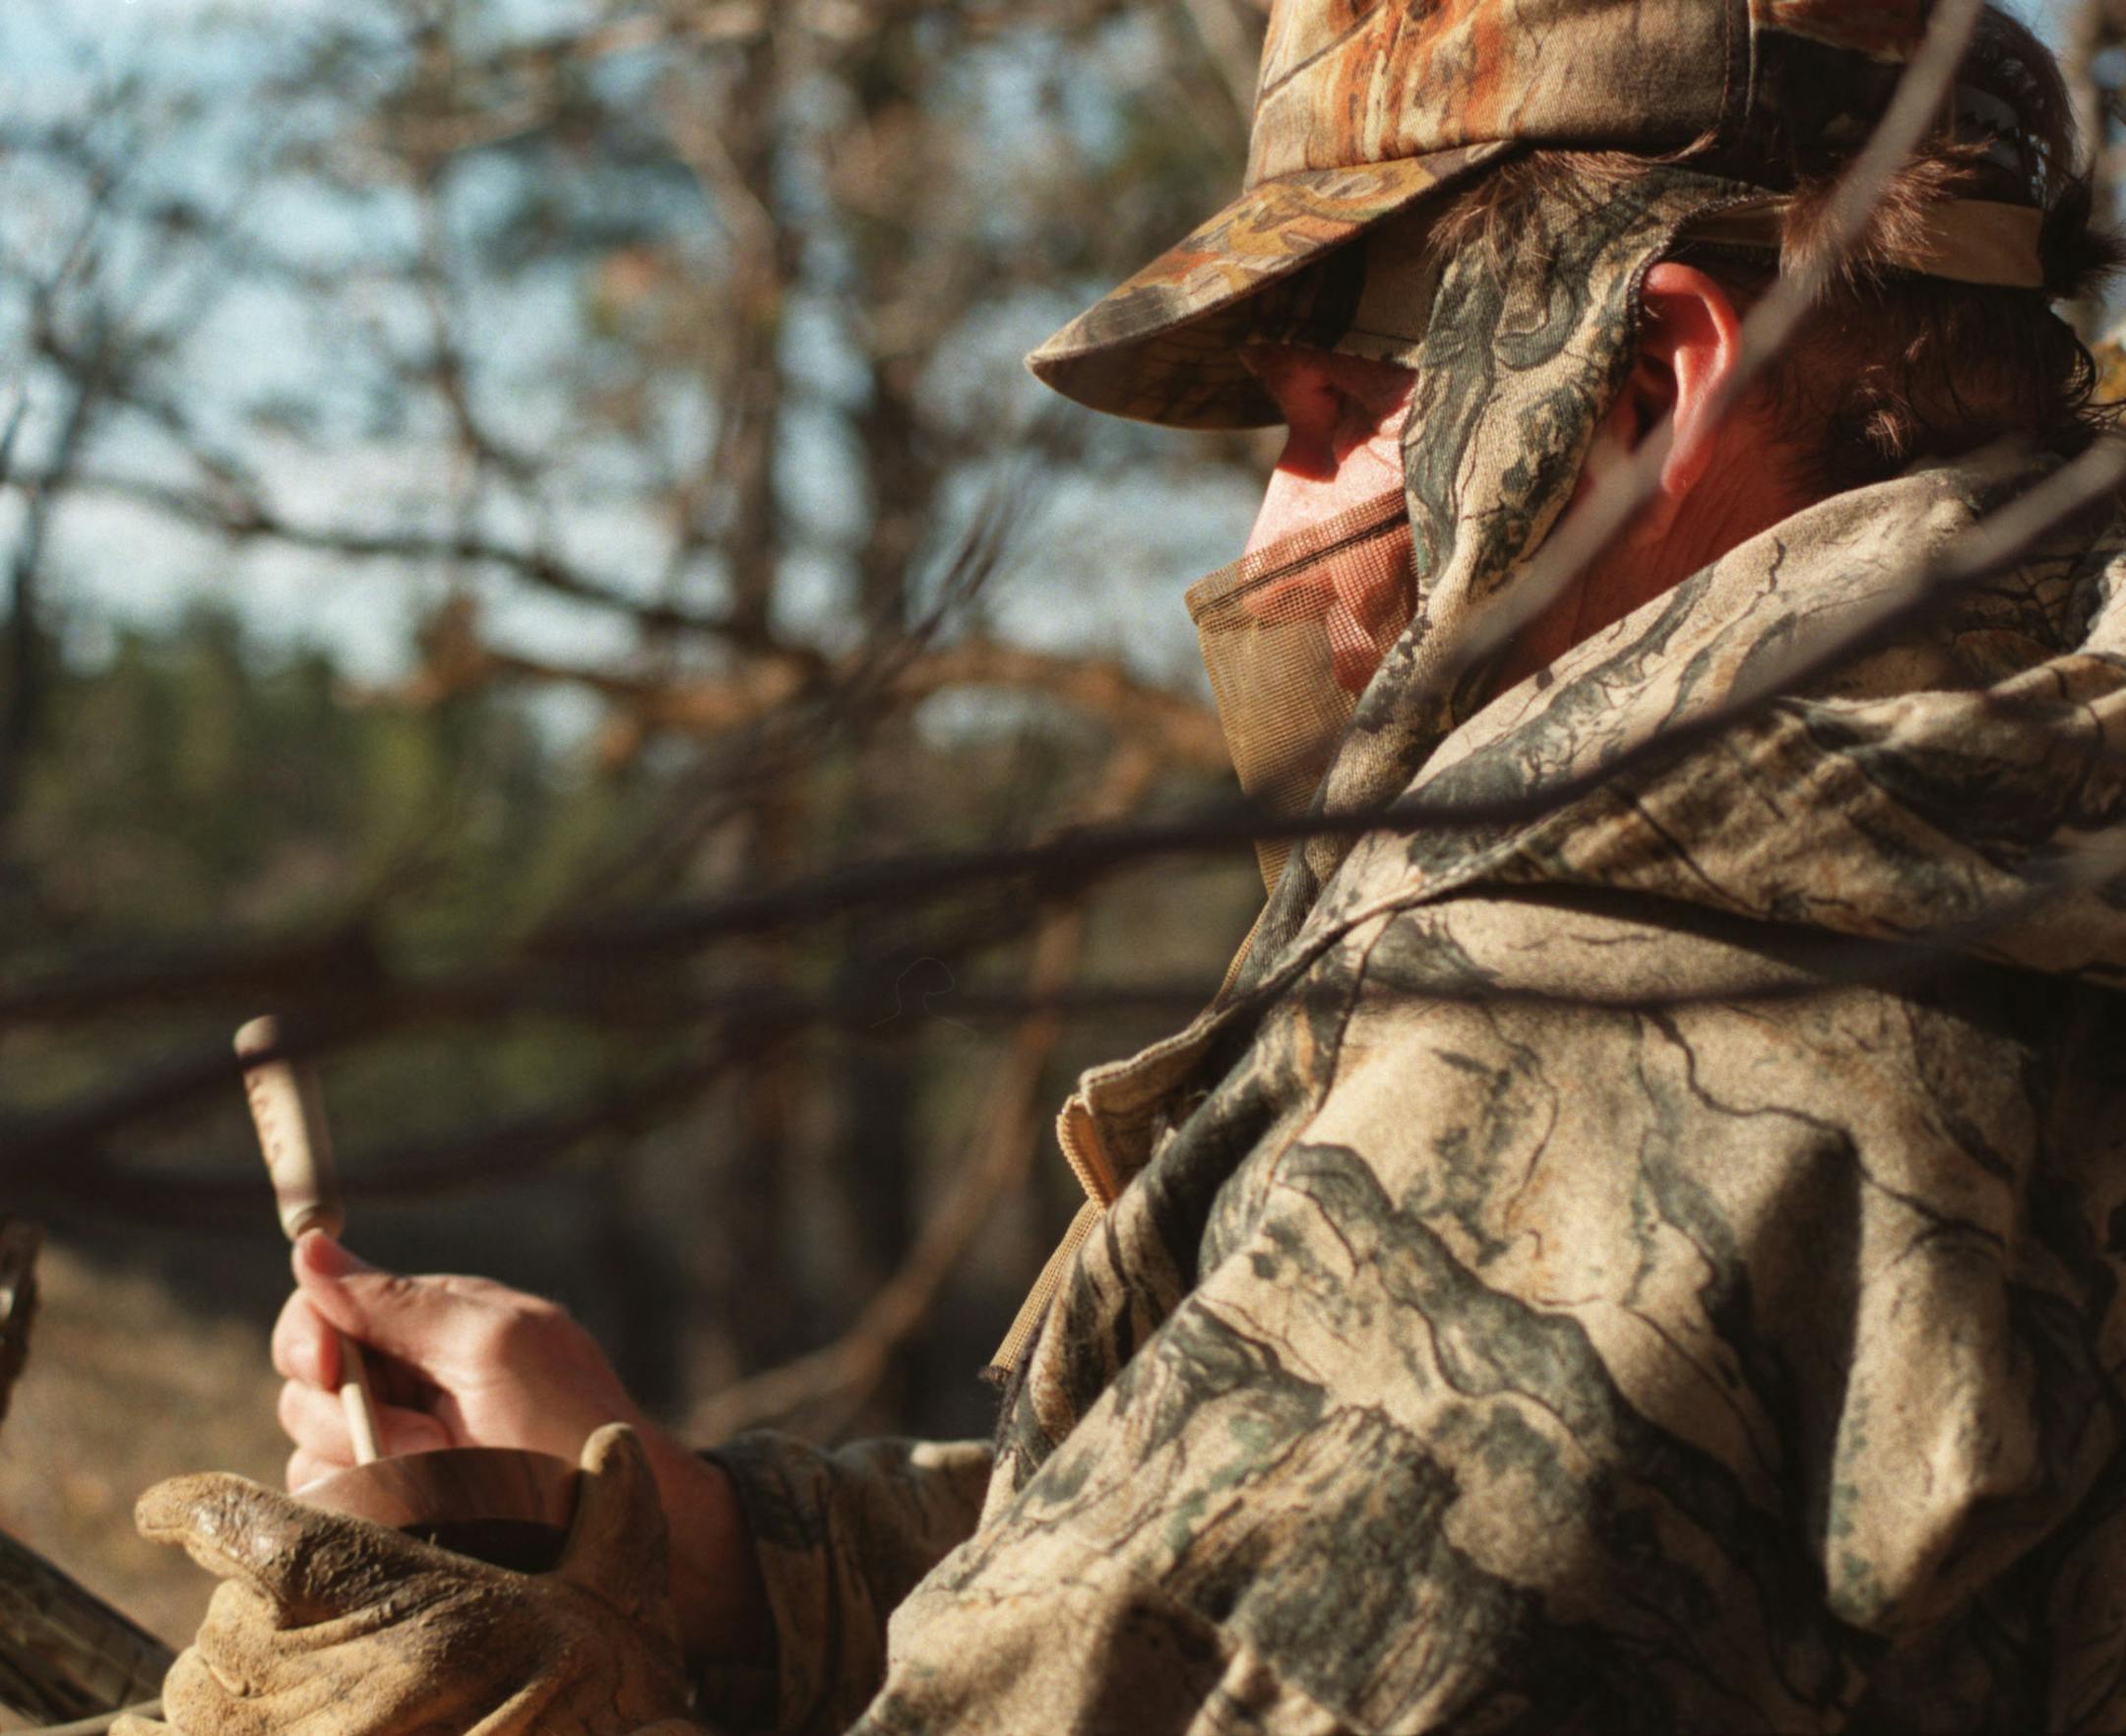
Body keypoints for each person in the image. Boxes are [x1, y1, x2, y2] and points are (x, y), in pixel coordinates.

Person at [119, 2, 2126, 1731]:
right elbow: (1251, 1565)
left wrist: (473, 1681)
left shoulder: (1643, 1051)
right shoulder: (1963, 839)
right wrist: (716, 1560)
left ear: (1651, 382)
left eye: (1337, 416)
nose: (1269, 538)